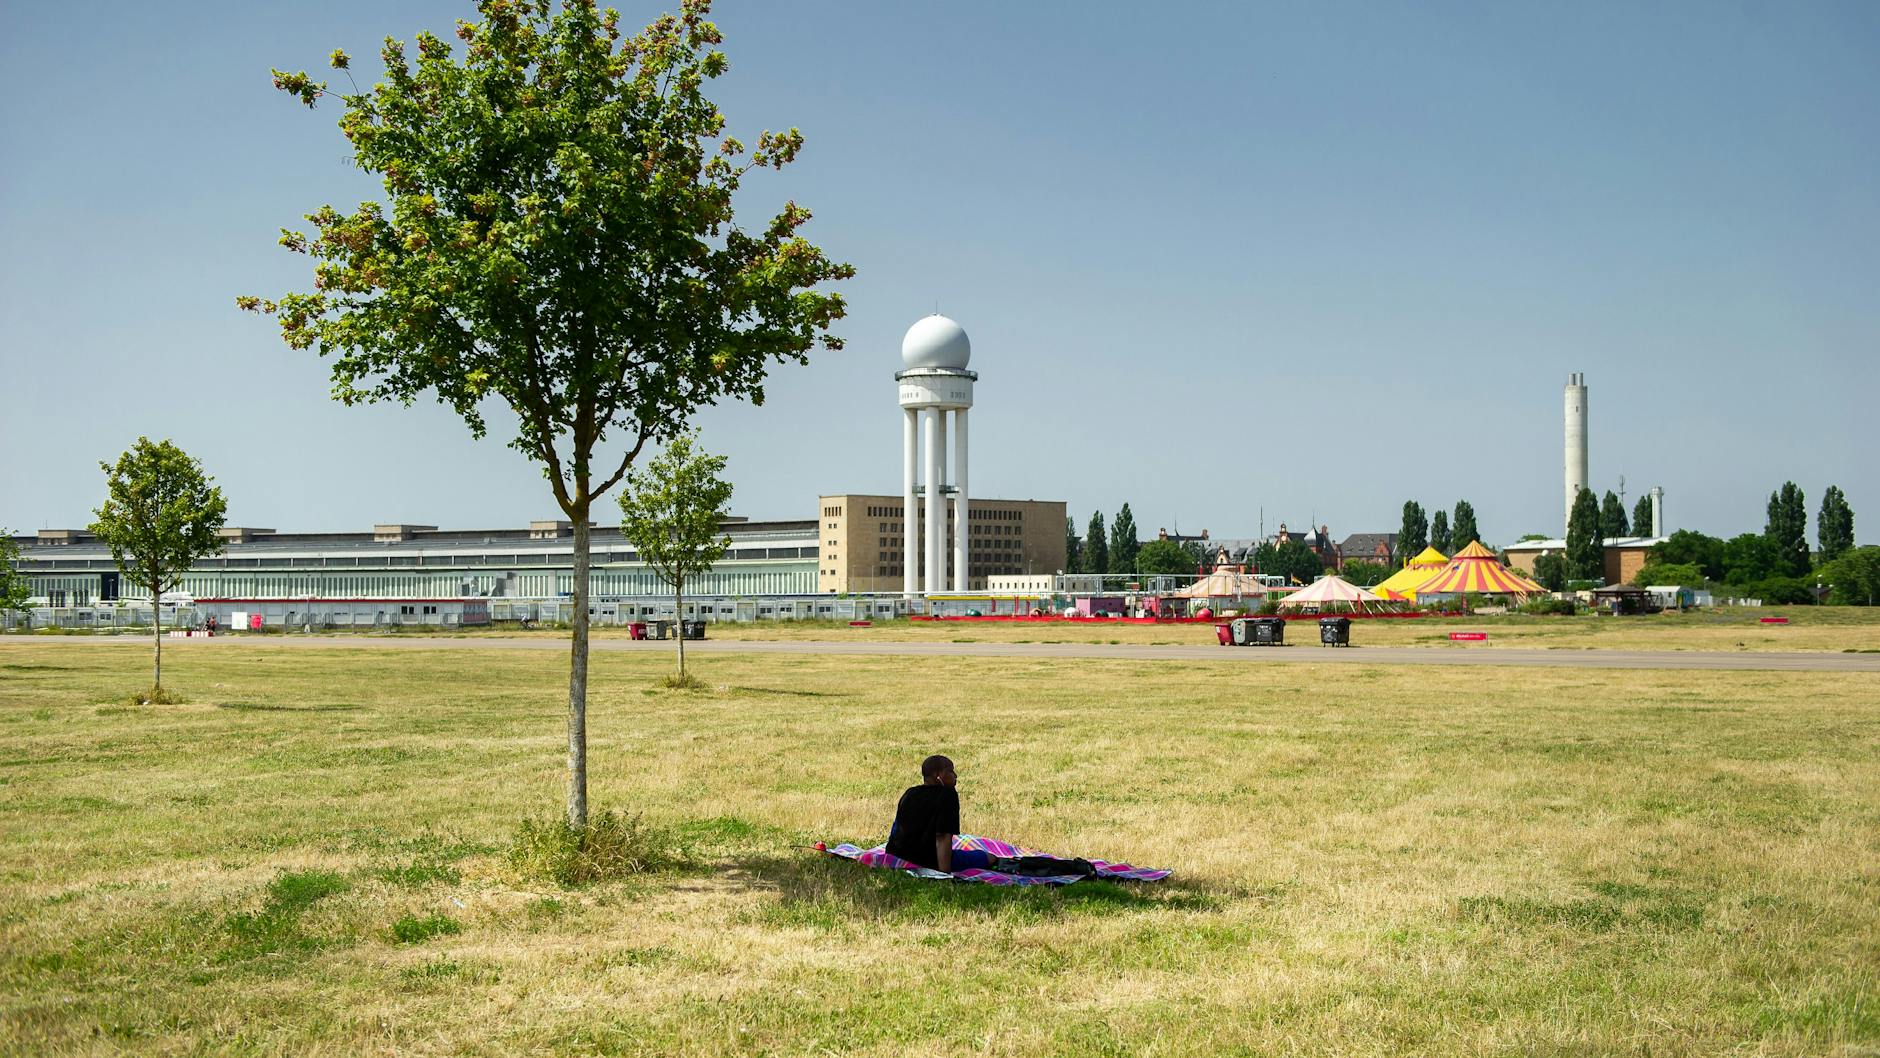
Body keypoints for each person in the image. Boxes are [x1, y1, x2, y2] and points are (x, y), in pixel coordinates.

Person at [885, 755, 994, 873]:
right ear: (938, 776)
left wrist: (891, 857)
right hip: (928, 860)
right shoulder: (947, 795)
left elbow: (897, 827)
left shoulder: (910, 793)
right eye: (950, 771)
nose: (955, 775)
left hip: (897, 856)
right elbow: (942, 836)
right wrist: (944, 873)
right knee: (989, 858)